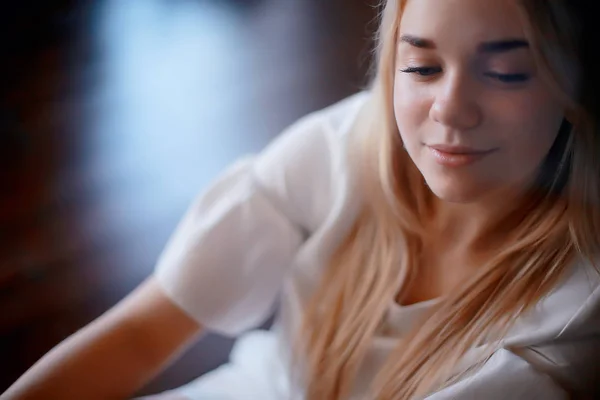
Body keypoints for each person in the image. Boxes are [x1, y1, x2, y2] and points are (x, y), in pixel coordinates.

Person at [4, 0, 600, 398]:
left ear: (572, 84)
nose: (449, 108)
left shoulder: (573, 312)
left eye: (504, 74)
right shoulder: (339, 150)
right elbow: (142, 331)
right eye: (422, 66)